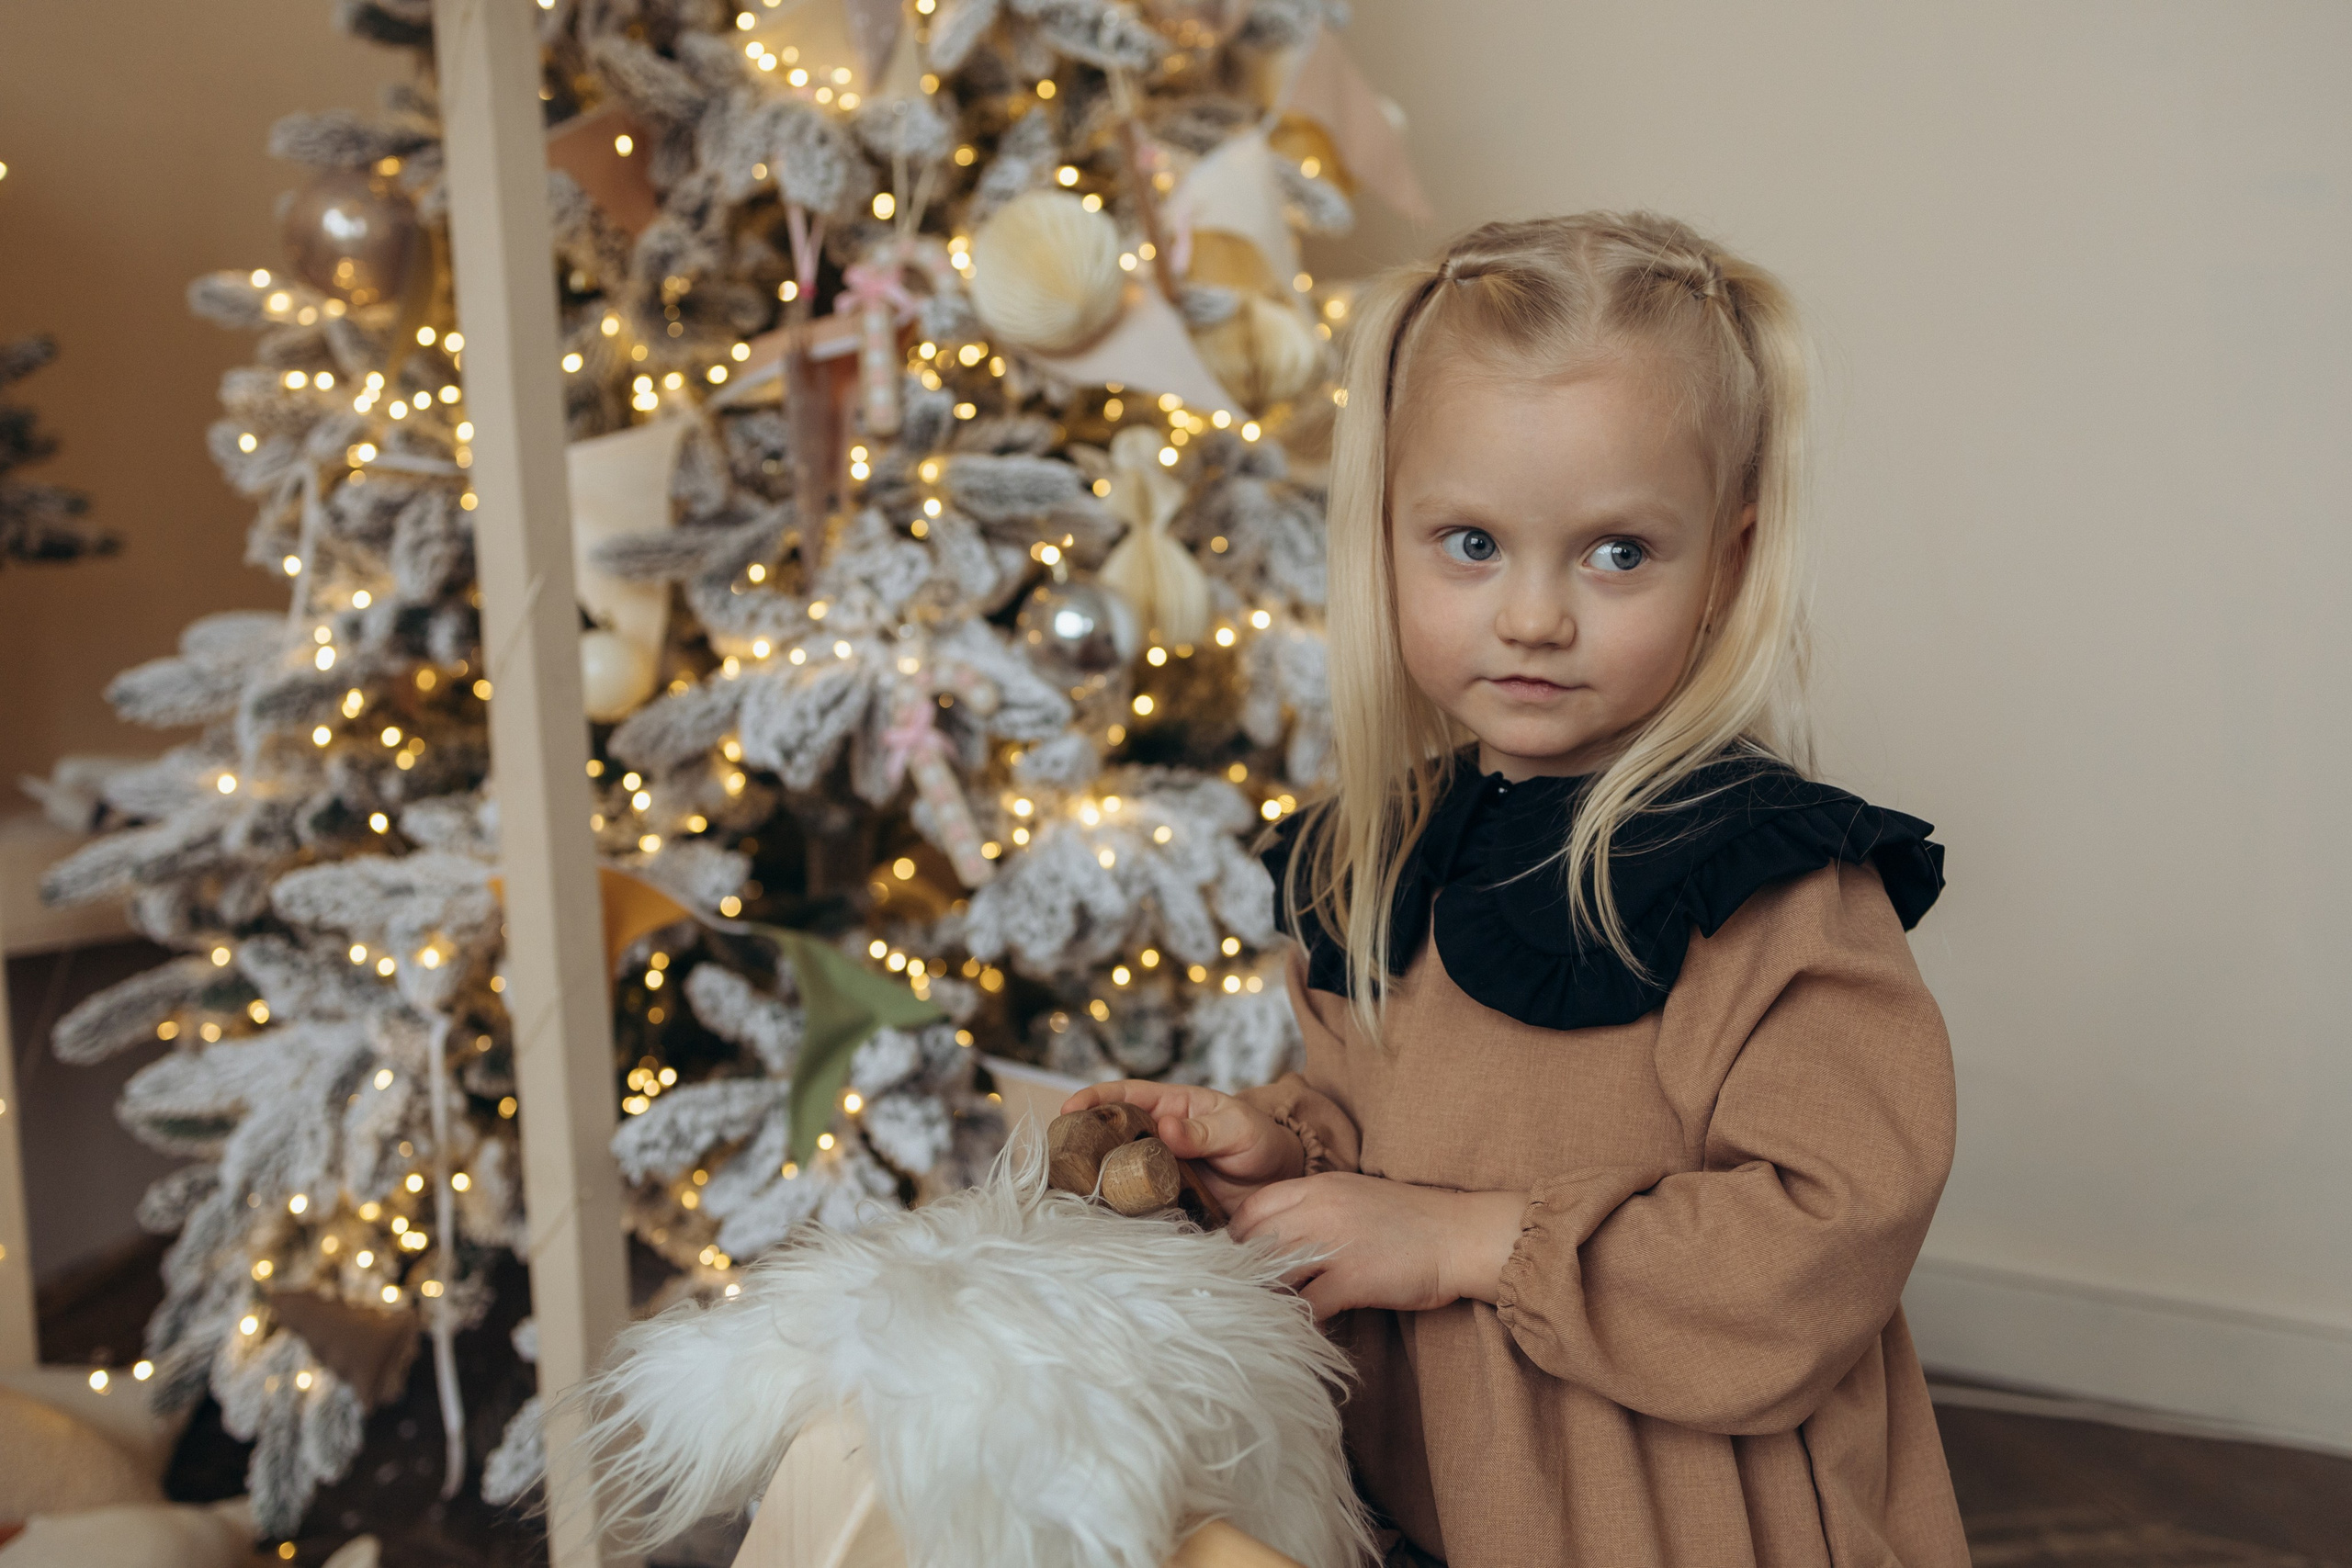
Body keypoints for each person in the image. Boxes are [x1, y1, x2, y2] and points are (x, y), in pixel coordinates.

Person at [1064, 212, 1969, 1566]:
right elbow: (1394, 1134)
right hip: (1428, 1480)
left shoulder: (1767, 881)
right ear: (1386, 534)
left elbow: (1831, 1228)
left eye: (1617, 553)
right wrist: (1276, 1150)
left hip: (1668, 1515)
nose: (1534, 616)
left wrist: (1475, 1246)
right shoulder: (1378, 852)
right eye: (1471, 544)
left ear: (1728, 559)